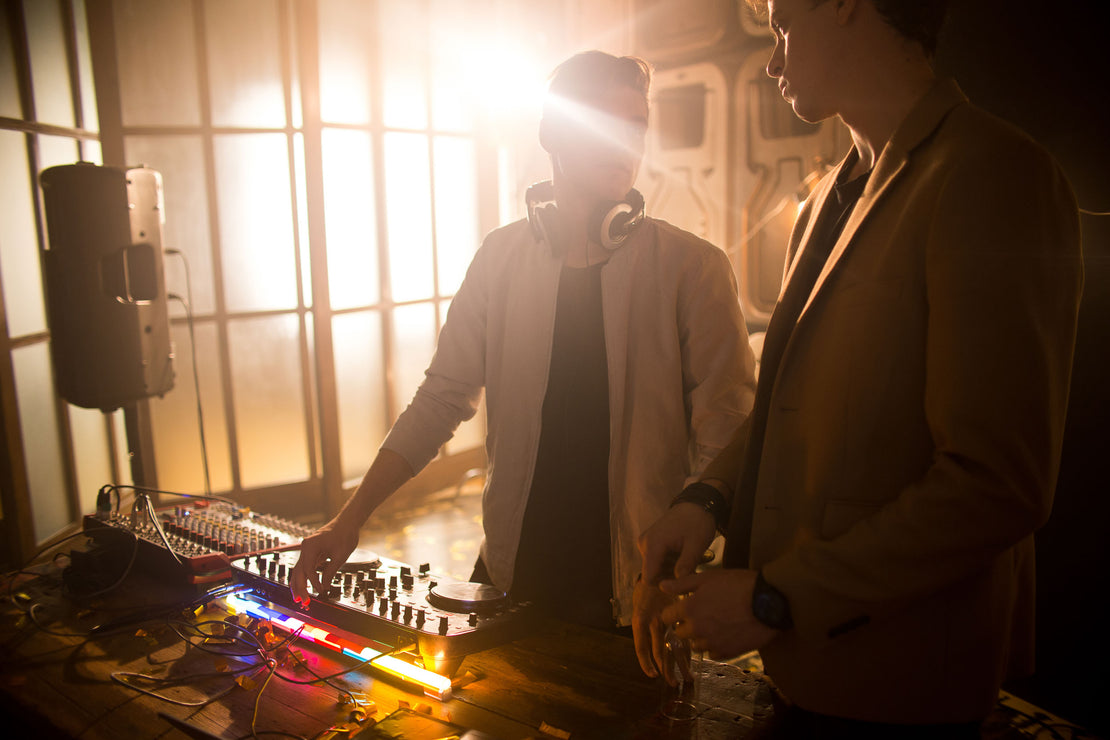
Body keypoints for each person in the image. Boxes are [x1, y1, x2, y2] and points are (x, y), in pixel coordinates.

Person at [633, 0, 1084, 735]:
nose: (773, 60)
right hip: (808, 673)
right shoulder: (824, 200)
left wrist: (772, 597)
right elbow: (786, 400)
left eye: (780, 27)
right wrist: (705, 499)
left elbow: (998, 483)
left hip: (909, 684)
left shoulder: (994, 173)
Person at [290, 51, 756, 632]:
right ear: (552, 133)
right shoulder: (500, 258)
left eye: (637, 124)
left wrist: (690, 554)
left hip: (634, 588)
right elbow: (441, 399)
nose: (626, 141)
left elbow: (729, 432)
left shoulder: (694, 268)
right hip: (509, 576)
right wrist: (348, 519)